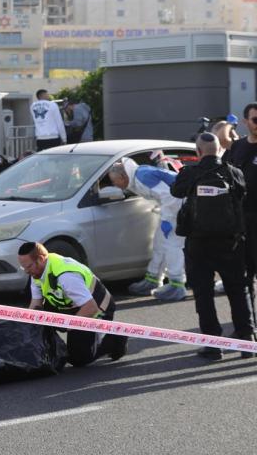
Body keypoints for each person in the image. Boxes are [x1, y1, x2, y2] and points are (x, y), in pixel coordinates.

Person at [171, 132, 255, 359]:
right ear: (219, 150)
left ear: (198, 152)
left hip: (198, 243)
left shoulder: (189, 173)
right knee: (238, 290)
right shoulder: (233, 172)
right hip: (230, 242)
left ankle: (212, 344)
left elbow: (176, 191)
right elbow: (242, 193)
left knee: (203, 294)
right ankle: (246, 339)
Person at [18, 242, 128, 366]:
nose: (26, 271)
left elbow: (91, 308)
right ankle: (51, 348)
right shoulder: (37, 271)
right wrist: (27, 330)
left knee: (79, 359)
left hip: (97, 308)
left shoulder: (66, 277)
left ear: (41, 259)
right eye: (24, 267)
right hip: (70, 306)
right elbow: (35, 304)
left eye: (29, 266)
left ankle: (115, 339)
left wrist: (68, 325)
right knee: (39, 315)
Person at [108, 159, 187, 301]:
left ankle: (177, 284)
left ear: (123, 177)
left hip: (179, 207)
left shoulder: (142, 177)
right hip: (175, 207)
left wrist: (168, 218)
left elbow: (170, 195)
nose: (115, 185)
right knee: (160, 243)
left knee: (172, 245)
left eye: (115, 181)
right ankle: (153, 278)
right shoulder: (138, 176)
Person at [226, 103, 257, 314]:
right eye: (255, 119)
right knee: (244, 276)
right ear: (245, 122)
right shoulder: (237, 147)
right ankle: (248, 326)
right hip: (242, 221)